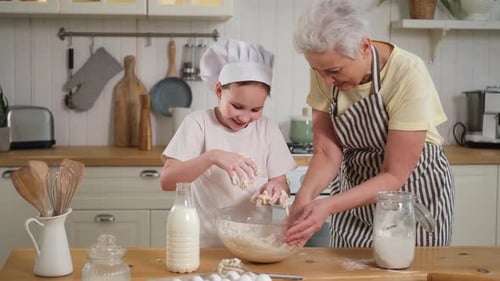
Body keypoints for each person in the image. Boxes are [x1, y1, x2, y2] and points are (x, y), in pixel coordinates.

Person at [285, 0, 454, 248]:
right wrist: (304, 197)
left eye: (335, 70)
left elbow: (394, 174)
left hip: (411, 196)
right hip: (353, 192)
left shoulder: (407, 72)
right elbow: (326, 151)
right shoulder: (325, 67)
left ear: (364, 46)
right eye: (318, 70)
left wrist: (329, 205)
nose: (327, 81)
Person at [160, 39, 296, 247]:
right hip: (205, 245)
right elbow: (168, 180)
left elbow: (282, 183)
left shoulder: (268, 129)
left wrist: (276, 189)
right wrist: (212, 156)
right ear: (218, 90)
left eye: (255, 109)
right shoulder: (198, 124)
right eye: (237, 106)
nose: (244, 117)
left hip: (255, 246)